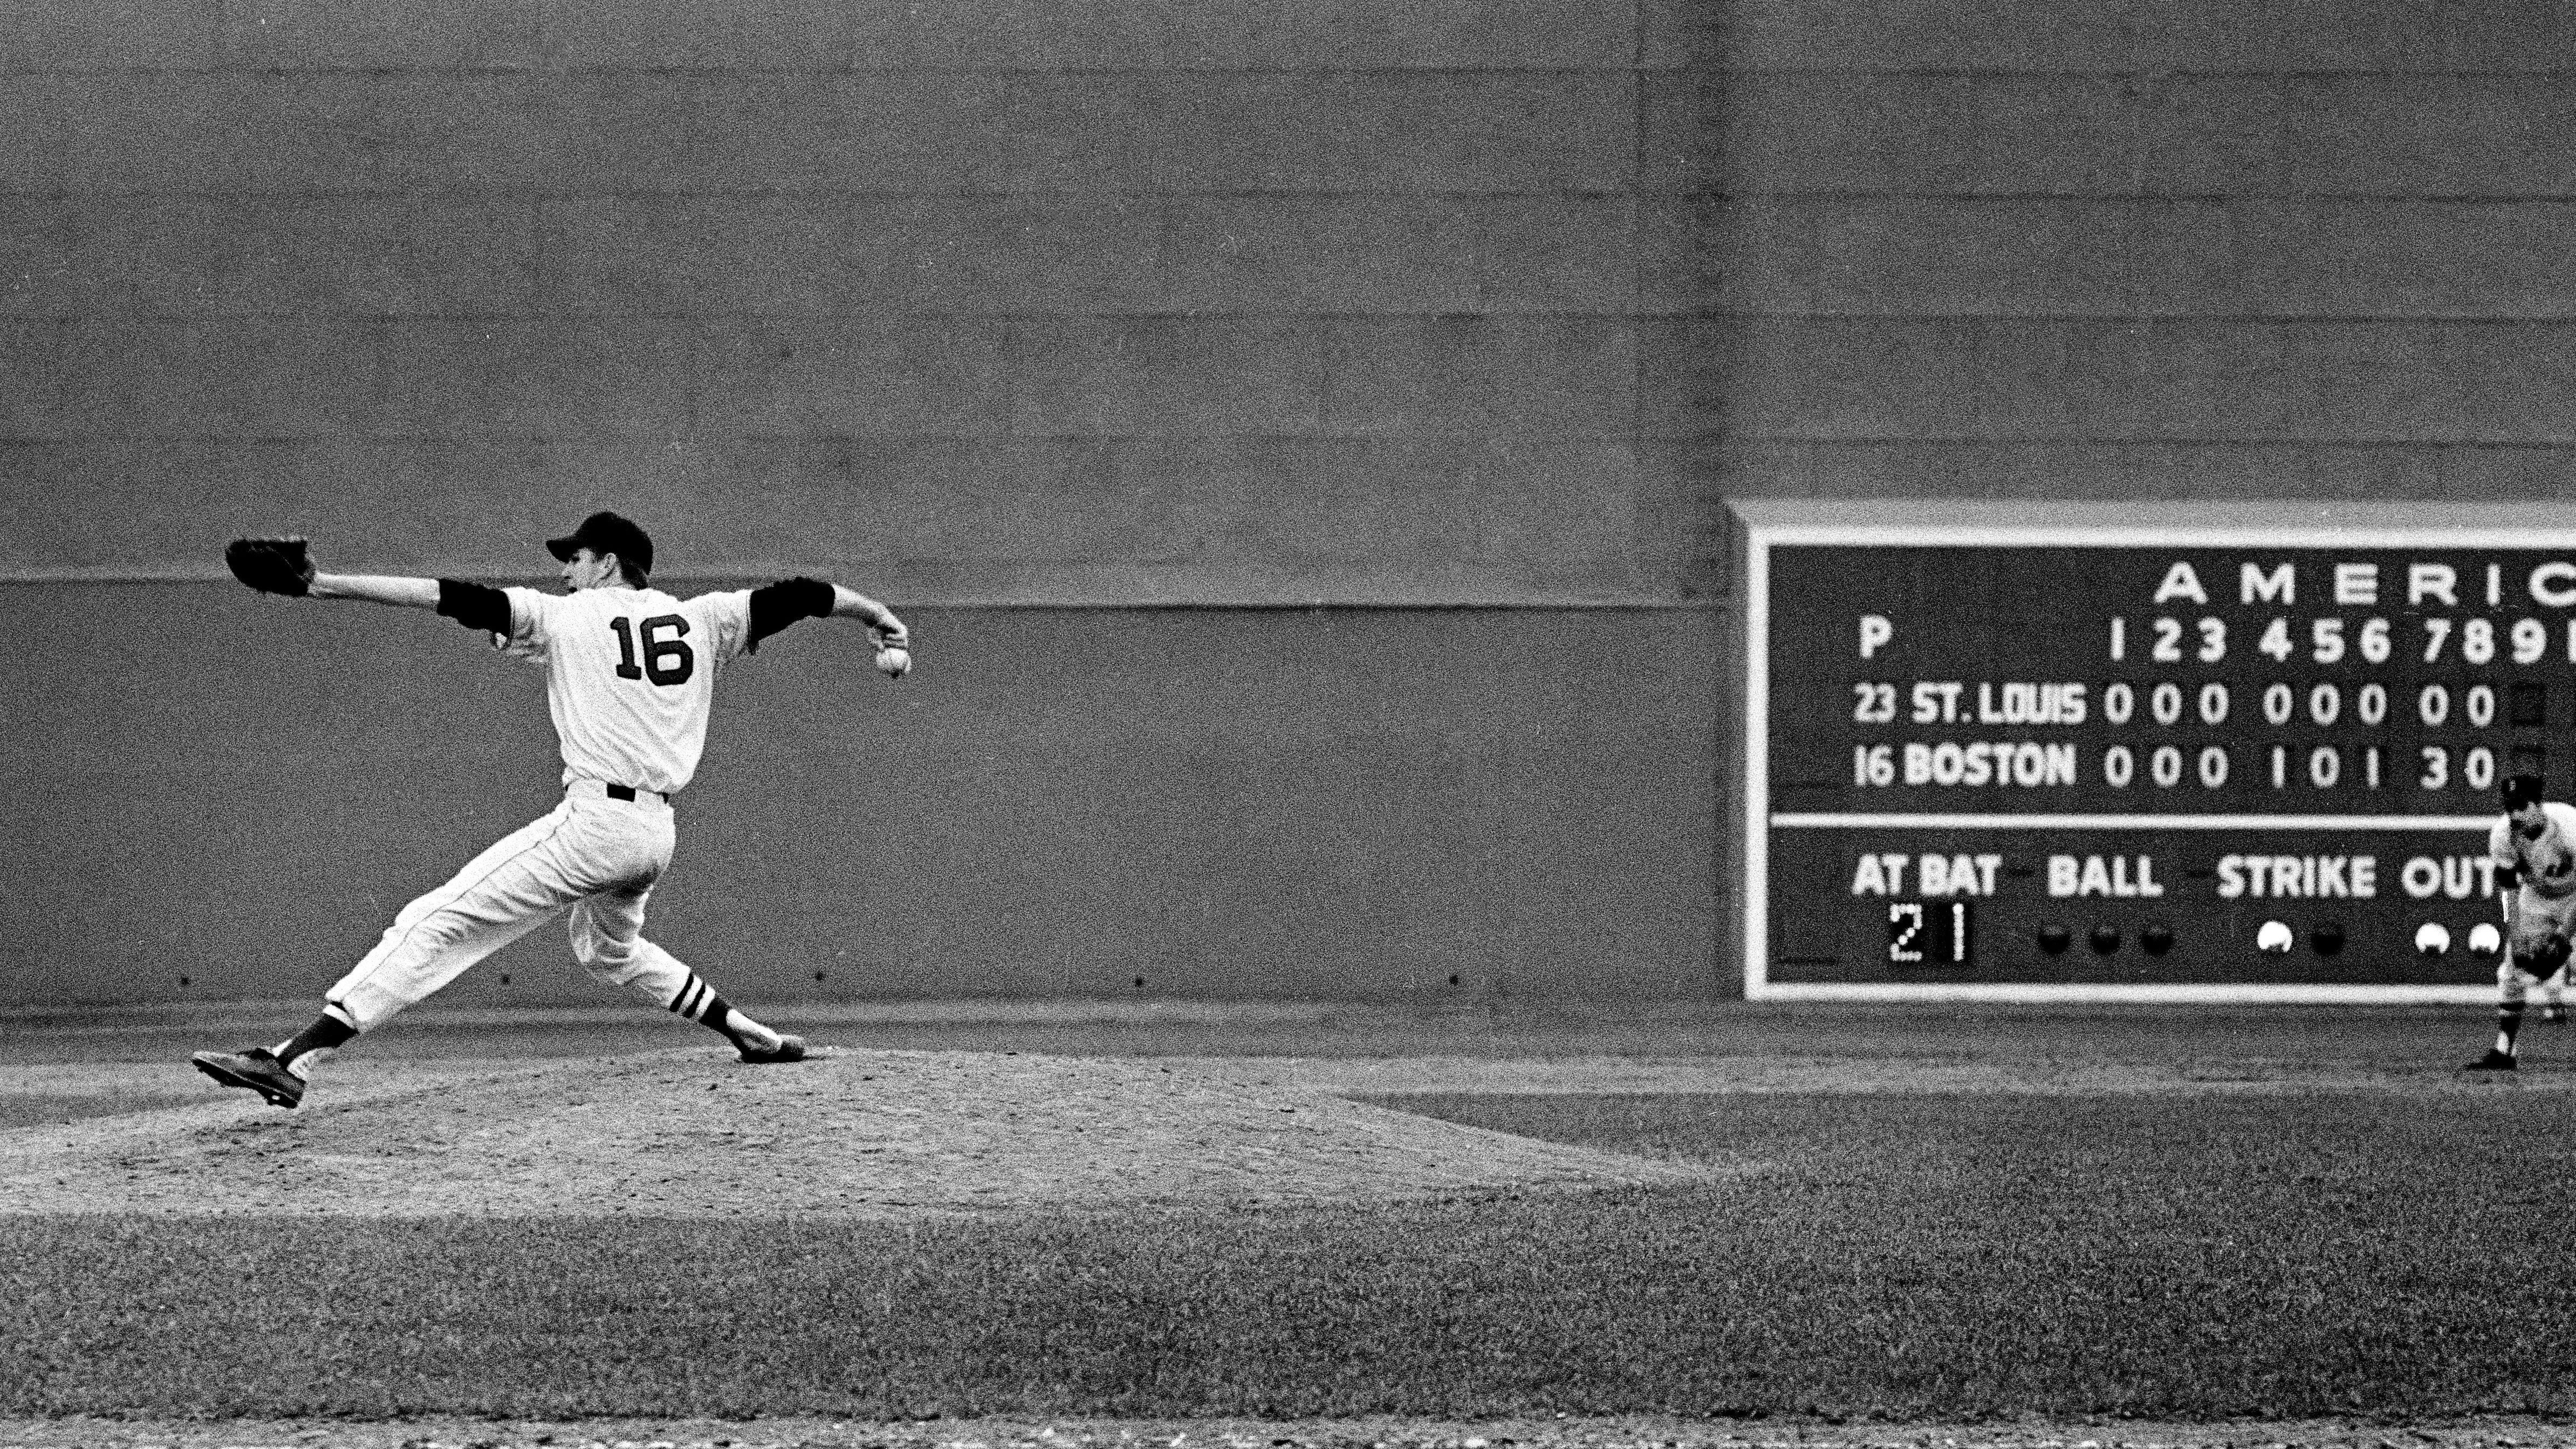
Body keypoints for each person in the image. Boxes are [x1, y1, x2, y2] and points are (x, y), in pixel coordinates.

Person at [190, 512, 911, 1108]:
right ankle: (751, 1033)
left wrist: (323, 585)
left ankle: (291, 1060)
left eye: (576, 557)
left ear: (609, 563)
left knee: (440, 918)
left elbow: (444, 596)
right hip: (655, 832)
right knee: (610, 949)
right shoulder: (708, 618)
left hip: (595, 826)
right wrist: (877, 616)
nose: (565, 569)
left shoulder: (563, 616)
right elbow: (809, 593)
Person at [2467, 773, 2576, 1071]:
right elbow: (2508, 890)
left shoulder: (2569, 824)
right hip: (2536, 898)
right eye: (2509, 806)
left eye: (2521, 806)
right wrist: (2514, 932)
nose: (2515, 814)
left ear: (2537, 805)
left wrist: (2565, 936)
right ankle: (2505, 1050)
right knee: (2512, 973)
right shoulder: (2503, 835)